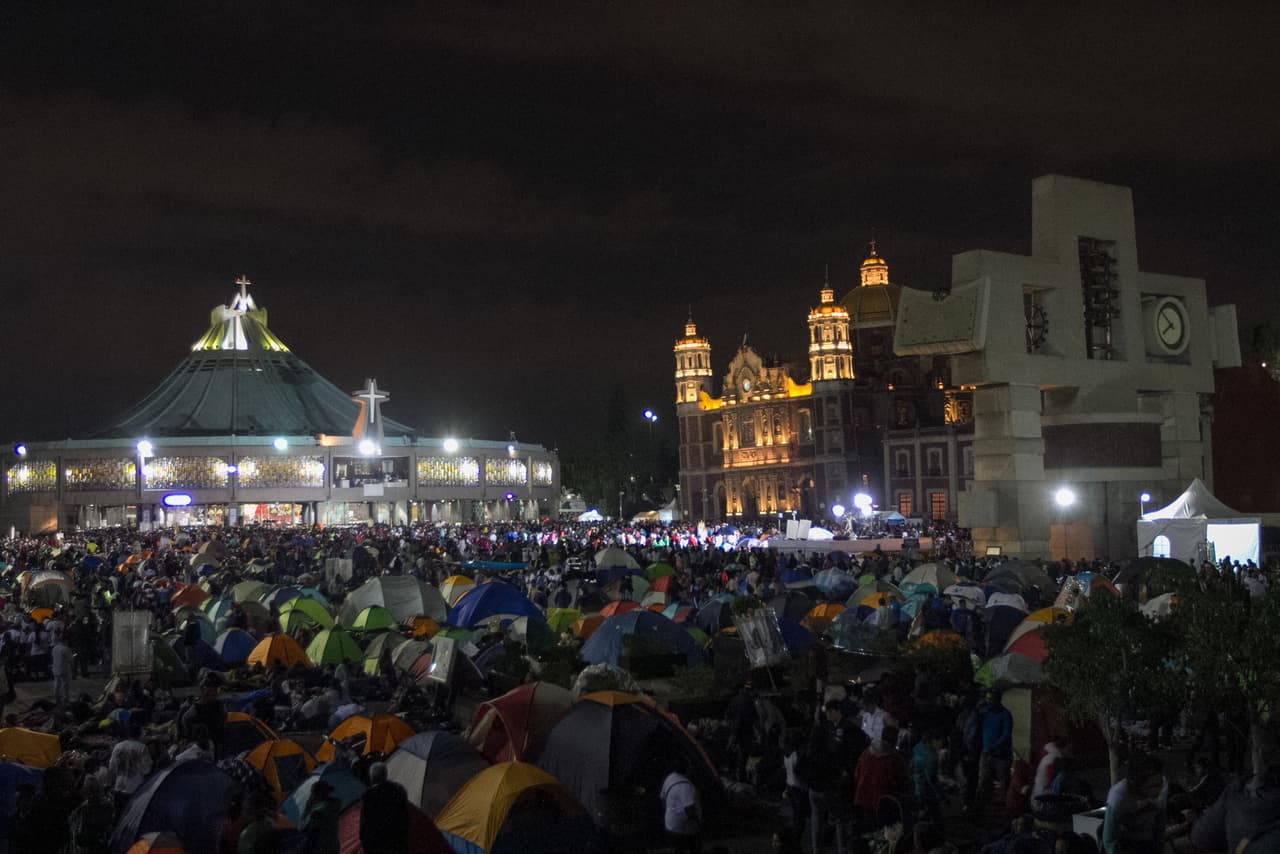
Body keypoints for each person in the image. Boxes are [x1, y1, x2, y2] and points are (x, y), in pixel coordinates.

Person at [1102, 754, 1167, 854]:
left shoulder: (1163, 788)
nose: (1158, 790)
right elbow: (1109, 839)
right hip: (1125, 846)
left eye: (1160, 784)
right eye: (1152, 787)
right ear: (1136, 784)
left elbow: (1160, 827)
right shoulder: (1118, 796)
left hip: (1150, 842)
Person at [975, 691, 1013, 813]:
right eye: (987, 700)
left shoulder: (1005, 714)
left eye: (991, 700)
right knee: (983, 782)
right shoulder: (985, 713)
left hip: (1001, 755)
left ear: (998, 700)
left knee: (1004, 783)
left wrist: (994, 746)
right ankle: (980, 811)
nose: (989, 702)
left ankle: (1006, 813)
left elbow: (1006, 734)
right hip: (986, 753)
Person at [360, 761, 408, 854]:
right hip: (397, 844)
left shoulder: (369, 797)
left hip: (377, 846)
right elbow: (405, 817)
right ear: (385, 775)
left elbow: (365, 826)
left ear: (372, 777)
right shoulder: (398, 792)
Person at [660, 756, 703, 854]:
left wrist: (669, 813)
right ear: (686, 768)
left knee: (679, 848)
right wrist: (699, 824)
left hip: (671, 824)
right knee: (696, 847)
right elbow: (689, 809)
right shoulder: (686, 786)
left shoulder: (670, 777)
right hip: (684, 827)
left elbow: (662, 797)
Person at [301, 779, 341, 854]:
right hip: (333, 846)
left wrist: (307, 809)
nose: (311, 795)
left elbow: (304, 829)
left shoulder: (317, 813)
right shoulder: (333, 807)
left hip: (320, 848)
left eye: (312, 792)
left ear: (317, 794)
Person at [50, 633, 73, 706]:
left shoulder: (55, 648)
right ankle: (65, 699)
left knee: (56, 684)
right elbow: (70, 659)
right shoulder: (66, 649)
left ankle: (57, 698)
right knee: (65, 685)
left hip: (55, 668)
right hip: (64, 669)